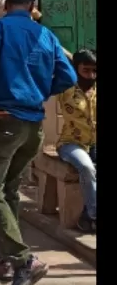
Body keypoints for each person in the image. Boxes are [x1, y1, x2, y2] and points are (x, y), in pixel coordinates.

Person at [0, 0, 77, 285]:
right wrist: (39, 93)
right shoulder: (46, 35)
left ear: (6, 4)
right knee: (9, 189)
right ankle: (0, 258)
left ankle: (23, 259)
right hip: (34, 123)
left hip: (4, 118)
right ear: (33, 7)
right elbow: (69, 77)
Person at [56, 48, 96, 233]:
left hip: (94, 144)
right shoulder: (66, 88)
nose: (91, 75)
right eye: (85, 70)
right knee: (87, 167)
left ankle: (86, 217)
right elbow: (61, 55)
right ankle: (94, 215)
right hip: (71, 144)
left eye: (94, 70)